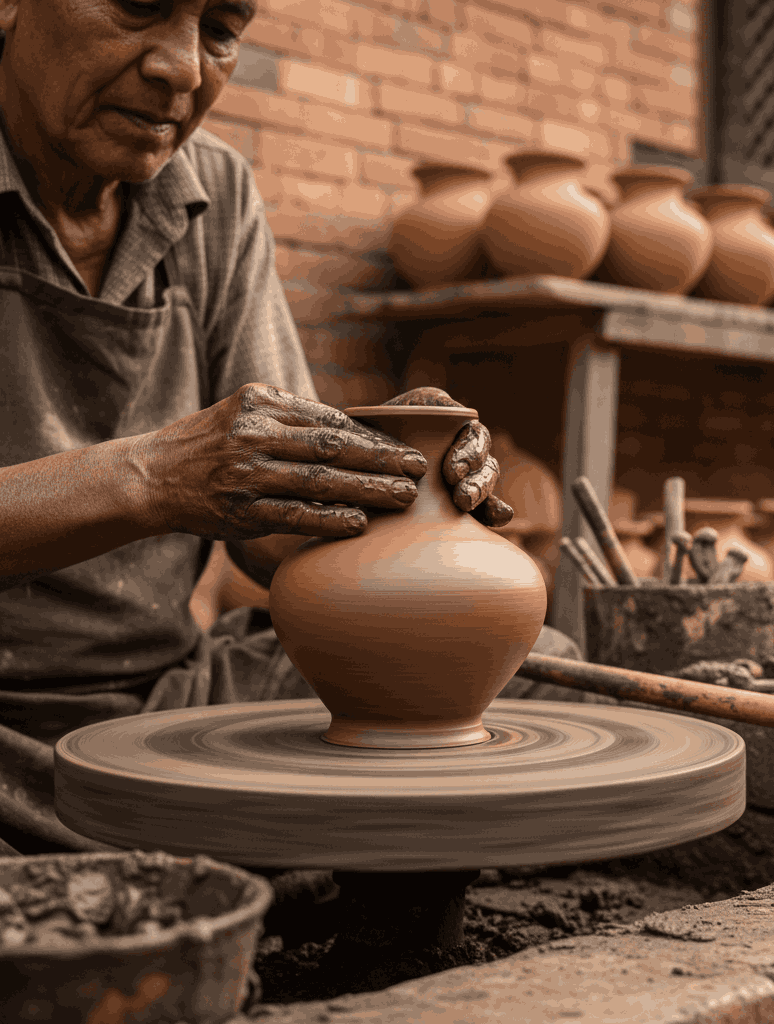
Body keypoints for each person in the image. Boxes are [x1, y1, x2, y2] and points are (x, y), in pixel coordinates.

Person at [0, 0, 582, 858]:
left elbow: (272, 532)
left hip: (162, 698)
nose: (184, 67)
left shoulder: (215, 192)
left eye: (223, 28)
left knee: (536, 676)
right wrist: (156, 478)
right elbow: (186, 476)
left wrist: (388, 481)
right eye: (139, 7)